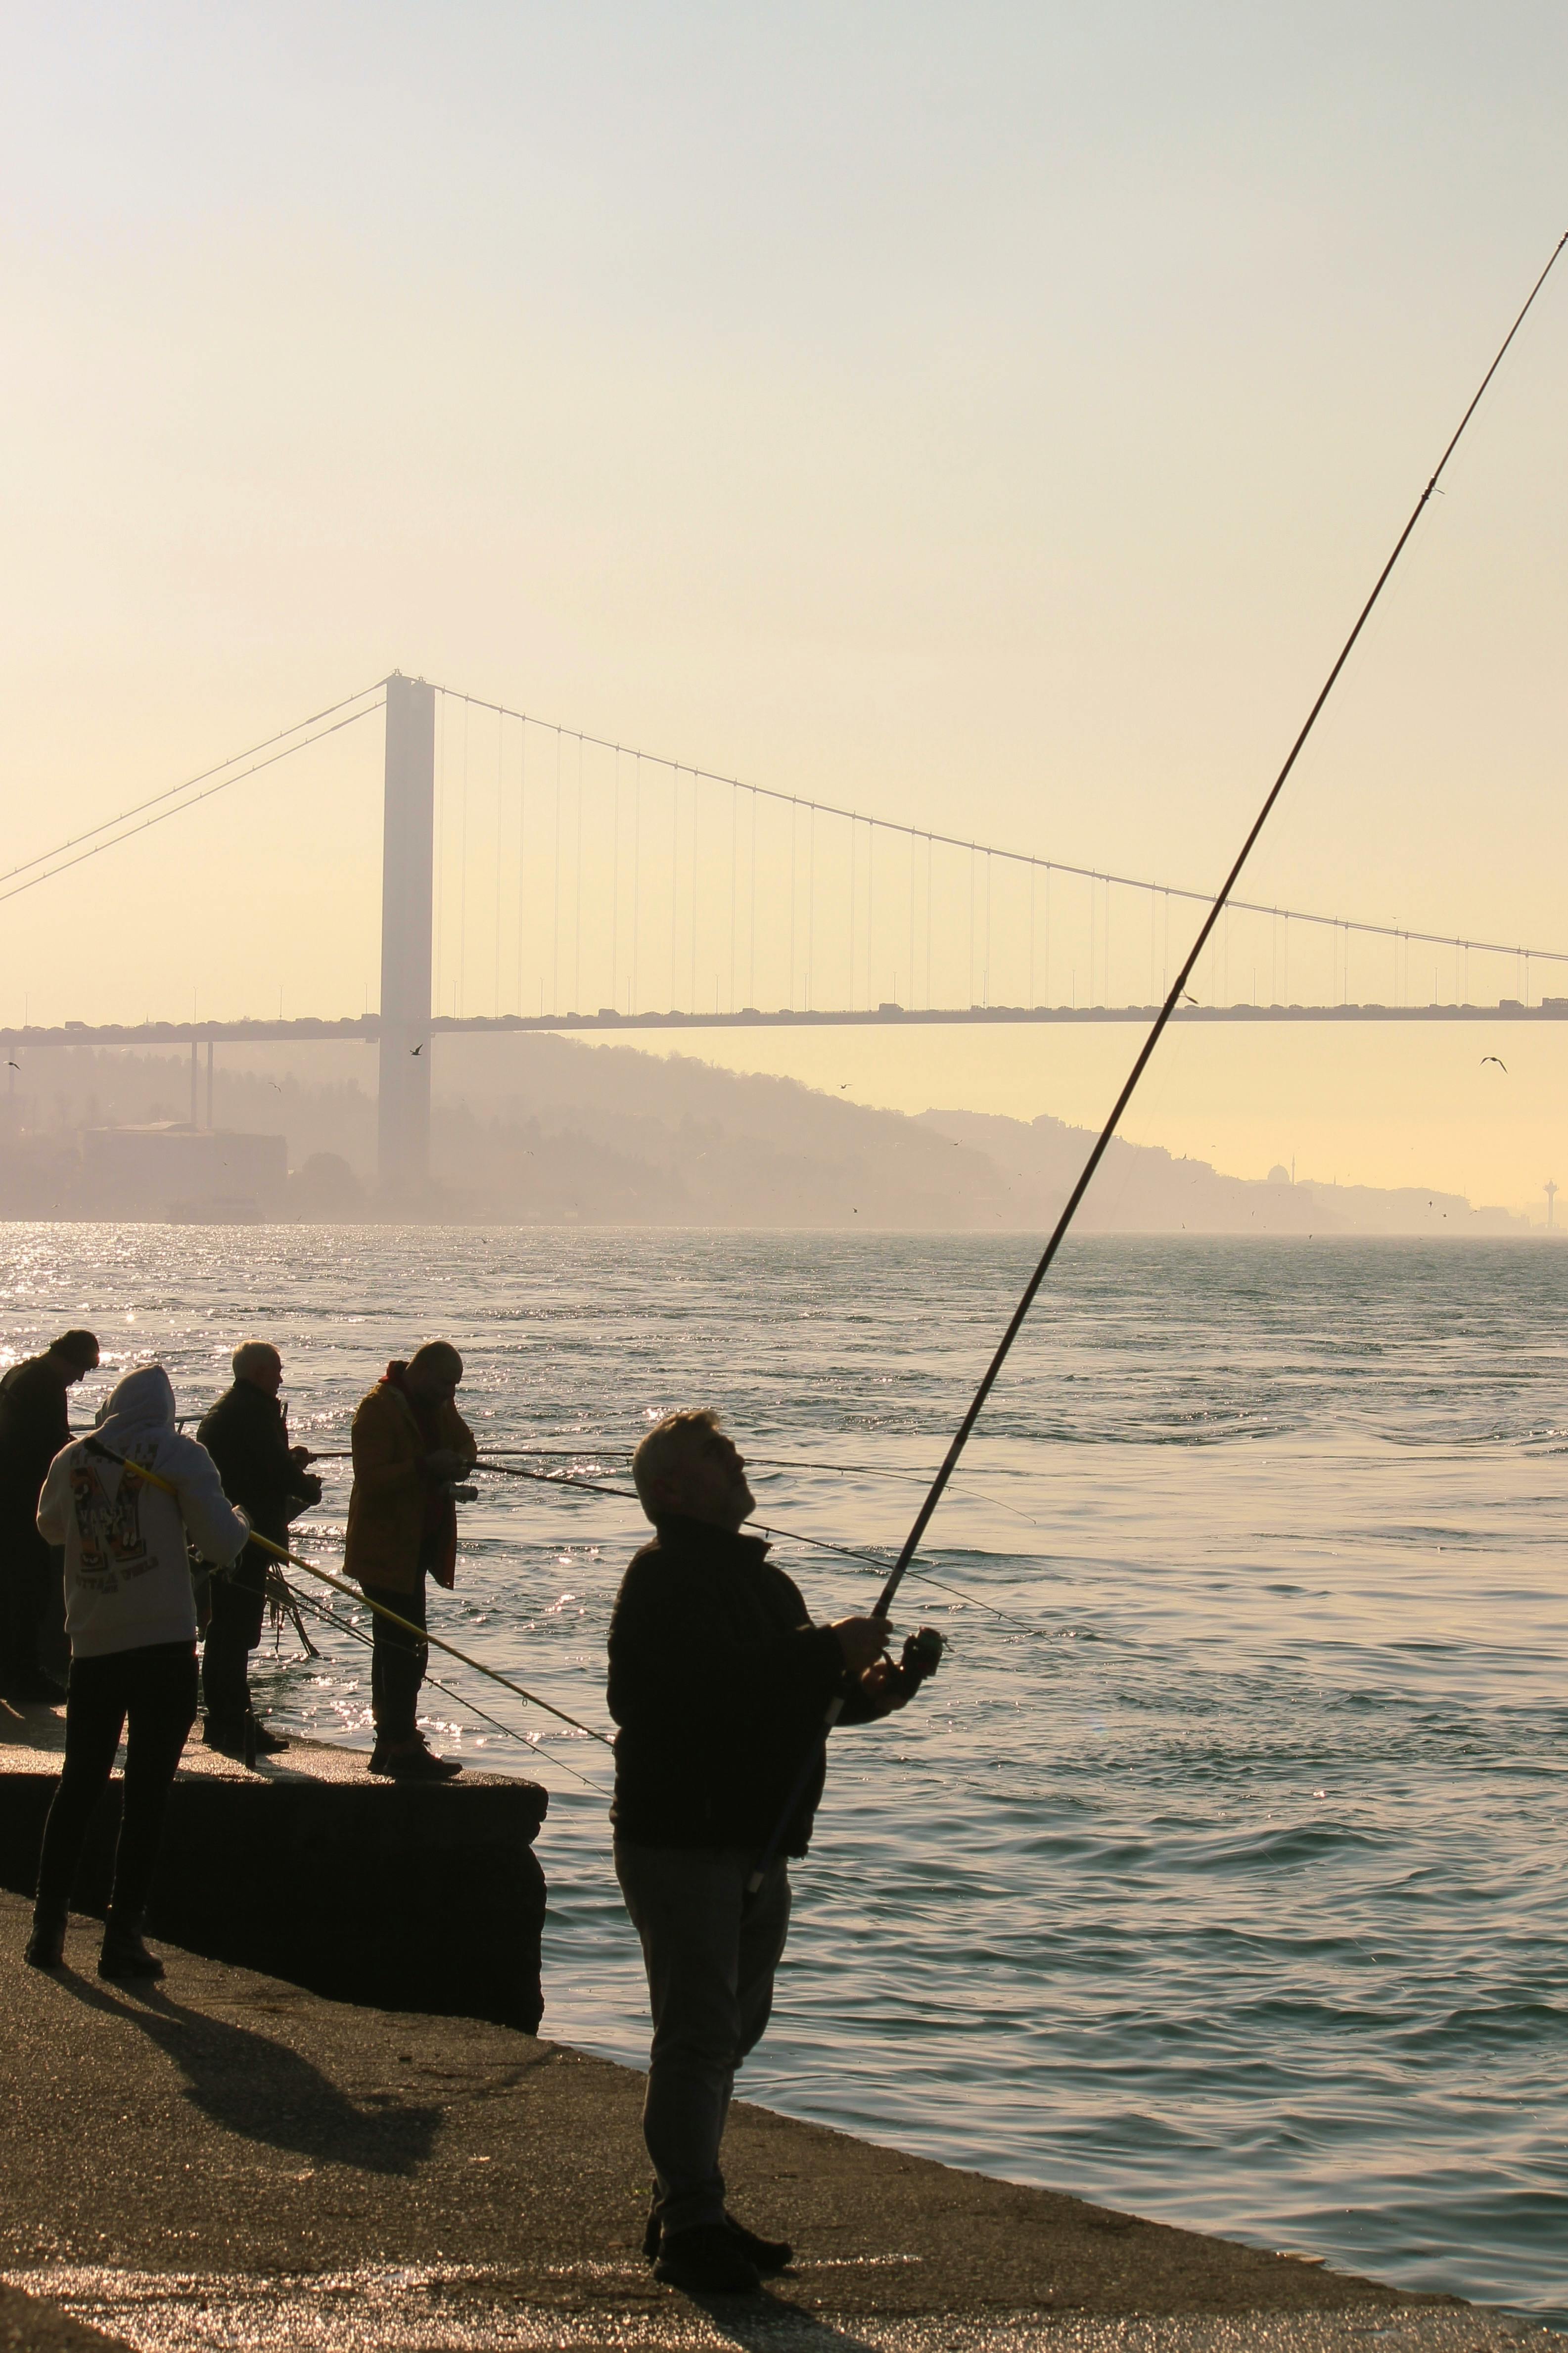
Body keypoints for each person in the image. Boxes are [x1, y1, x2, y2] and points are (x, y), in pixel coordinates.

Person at [607, 1407, 924, 2296]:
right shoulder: (663, 1576)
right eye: (716, 1453)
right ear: (670, 1489)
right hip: (682, 1838)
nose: (736, 1458)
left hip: (758, 1840)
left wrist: (874, 1691)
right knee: (700, 2032)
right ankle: (690, 2224)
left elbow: (803, 1697)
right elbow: (674, 1694)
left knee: (731, 2032)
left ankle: (686, 2202)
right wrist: (823, 1648)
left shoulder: (768, 1584)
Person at [26, 1363, 249, 1979]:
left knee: (79, 1786)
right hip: (162, 1646)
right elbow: (223, 1543)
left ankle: (46, 1930)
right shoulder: (182, 1452)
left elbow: (48, 1527)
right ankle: (121, 1936)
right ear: (167, 1410)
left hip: (92, 1645)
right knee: (147, 1795)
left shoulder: (73, 1456)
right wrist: (241, 1519)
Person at [343, 1342, 476, 1781]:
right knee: (403, 1646)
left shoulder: (437, 1402)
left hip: (418, 1546)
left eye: (455, 1385)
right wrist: (424, 1466)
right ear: (421, 1372)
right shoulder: (377, 1410)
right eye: (445, 1382)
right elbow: (371, 1478)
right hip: (383, 1549)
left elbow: (464, 1442)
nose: (450, 1392)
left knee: (400, 1645)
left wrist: (459, 1463)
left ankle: (391, 1741)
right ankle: (399, 1743)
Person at [196, 1341, 322, 1757]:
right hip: (246, 1537)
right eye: (276, 1370)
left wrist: (289, 1464)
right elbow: (273, 1470)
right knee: (236, 1633)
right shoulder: (255, 1411)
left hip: (224, 1532)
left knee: (225, 1629)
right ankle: (234, 1719)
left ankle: (222, 1720)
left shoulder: (225, 1410)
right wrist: (307, 1487)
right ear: (257, 1373)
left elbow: (256, 1464)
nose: (281, 1378)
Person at [0, 1330, 99, 1704]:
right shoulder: (46, 1385)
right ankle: (25, 1675)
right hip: (25, 1502)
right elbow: (57, 1446)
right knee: (32, 1587)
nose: (82, 1378)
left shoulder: (19, 1373)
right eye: (84, 1368)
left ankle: (9, 1671)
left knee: (8, 1589)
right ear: (71, 1359)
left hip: (7, 1496)